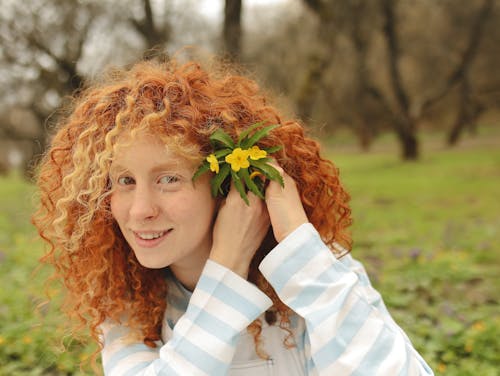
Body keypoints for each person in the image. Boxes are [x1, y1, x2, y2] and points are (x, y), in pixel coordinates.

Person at [33, 58, 433, 376]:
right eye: (123, 180)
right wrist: (225, 270)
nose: (140, 210)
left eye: (169, 179)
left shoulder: (319, 271)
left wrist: (300, 248)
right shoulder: (128, 304)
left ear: (227, 185)